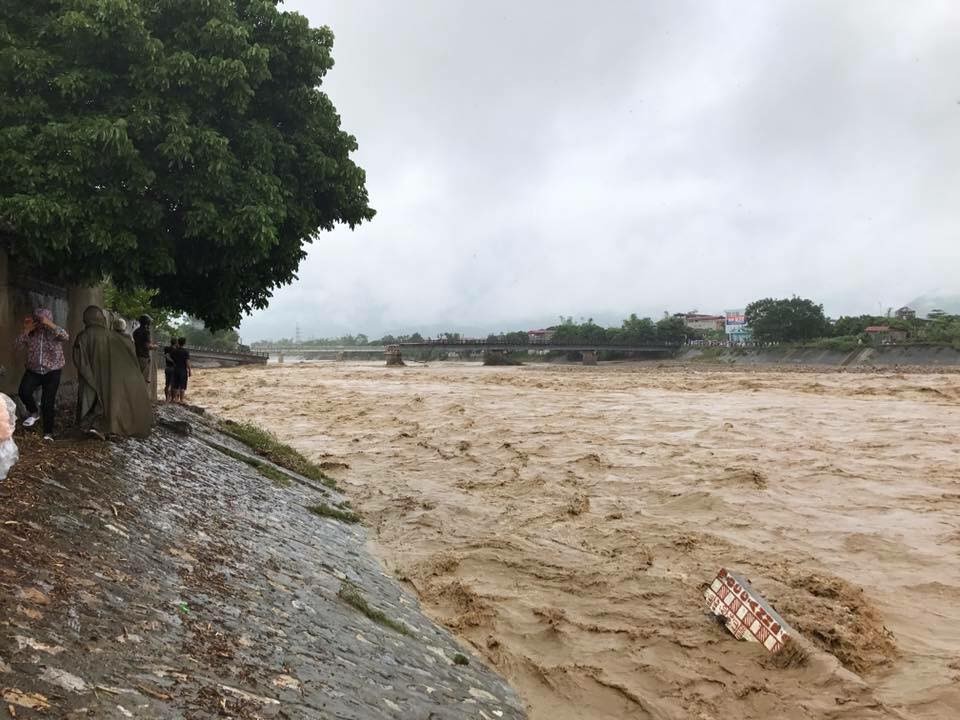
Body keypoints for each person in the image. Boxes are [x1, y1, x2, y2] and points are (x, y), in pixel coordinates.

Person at [73, 305, 153, 438]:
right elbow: (128, 350)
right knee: (110, 400)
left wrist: (87, 375)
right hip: (110, 377)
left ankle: (89, 426)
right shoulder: (115, 337)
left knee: (90, 399)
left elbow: (79, 359)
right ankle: (106, 426)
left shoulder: (83, 336)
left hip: (90, 376)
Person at [14, 309, 69, 441]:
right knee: (23, 391)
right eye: (37, 320)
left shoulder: (54, 333)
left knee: (47, 402)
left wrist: (50, 324)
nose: (40, 323)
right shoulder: (32, 333)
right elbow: (17, 346)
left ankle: (48, 433)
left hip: (53, 371)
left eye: (42, 320)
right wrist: (26, 330)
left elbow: (66, 336)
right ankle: (34, 412)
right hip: (34, 371)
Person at [132, 314, 156, 385]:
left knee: (136, 378)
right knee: (144, 380)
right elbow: (147, 346)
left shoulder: (135, 331)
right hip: (144, 358)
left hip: (136, 356)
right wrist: (154, 346)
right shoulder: (146, 332)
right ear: (147, 322)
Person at [170, 337, 191, 403]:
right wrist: (190, 370)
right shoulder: (186, 352)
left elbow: (170, 358)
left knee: (175, 385)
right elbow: (187, 362)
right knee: (182, 386)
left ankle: (175, 399)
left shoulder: (174, 351)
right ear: (184, 343)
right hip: (183, 370)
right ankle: (181, 400)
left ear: (178, 342)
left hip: (176, 369)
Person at [162, 337, 177, 403]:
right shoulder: (176, 350)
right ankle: (172, 399)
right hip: (173, 368)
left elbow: (166, 356)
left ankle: (167, 398)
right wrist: (174, 362)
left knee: (167, 384)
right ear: (176, 343)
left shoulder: (166, 348)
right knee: (173, 385)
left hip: (167, 367)